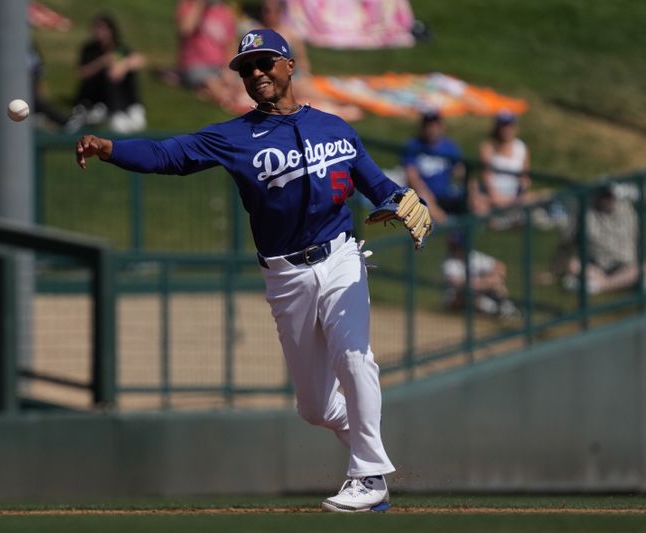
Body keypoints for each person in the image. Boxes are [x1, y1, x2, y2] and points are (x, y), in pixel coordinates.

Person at [76, 28, 432, 513]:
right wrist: (110, 149)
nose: (256, 73)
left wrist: (402, 203)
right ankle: (375, 460)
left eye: (264, 63)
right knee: (315, 408)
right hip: (286, 276)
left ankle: (367, 478)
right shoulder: (234, 136)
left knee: (355, 359)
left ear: (289, 66)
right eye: (246, 68)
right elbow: (167, 156)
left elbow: (379, 186)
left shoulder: (336, 128)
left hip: (342, 257)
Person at [253, 0, 364, 121]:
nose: (267, 14)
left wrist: (304, 75)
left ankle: (342, 103)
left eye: (271, 10)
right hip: (270, 78)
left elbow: (302, 61)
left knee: (311, 91)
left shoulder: (291, 34)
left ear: (280, 12)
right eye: (265, 10)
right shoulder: (257, 34)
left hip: (294, 78)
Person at [0, 39, 69, 129]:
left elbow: (37, 73)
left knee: (38, 104)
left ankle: (65, 122)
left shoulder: (28, 43)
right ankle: (57, 121)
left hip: (25, 89)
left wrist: (42, 97)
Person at [554, 185, 642, 295]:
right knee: (573, 265)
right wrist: (555, 271)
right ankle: (614, 284)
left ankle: (605, 285)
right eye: (604, 196)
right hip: (596, 268)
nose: (608, 200)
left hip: (625, 266)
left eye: (610, 196)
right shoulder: (585, 213)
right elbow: (566, 243)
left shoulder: (626, 210)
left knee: (640, 268)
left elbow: (636, 239)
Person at [67, 13, 147, 134]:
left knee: (136, 126)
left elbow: (139, 60)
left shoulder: (119, 49)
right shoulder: (89, 49)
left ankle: (126, 110)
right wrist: (103, 62)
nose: (100, 32)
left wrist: (123, 65)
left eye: (103, 29)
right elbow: (82, 72)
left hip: (125, 98)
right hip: (97, 97)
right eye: (97, 28)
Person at [174, 0, 245, 113]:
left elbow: (230, 45)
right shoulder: (188, 5)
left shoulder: (224, 12)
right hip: (195, 65)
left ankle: (206, 94)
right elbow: (185, 29)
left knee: (241, 86)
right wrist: (199, 5)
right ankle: (231, 105)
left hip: (220, 66)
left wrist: (229, 70)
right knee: (216, 86)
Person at [401, 110, 466, 224]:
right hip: (424, 192)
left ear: (441, 126)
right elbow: (412, 176)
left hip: (446, 191)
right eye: (428, 126)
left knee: (471, 194)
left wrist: (467, 184)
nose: (432, 129)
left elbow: (460, 171)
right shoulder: (413, 146)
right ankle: (448, 226)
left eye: (435, 125)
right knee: (423, 197)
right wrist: (423, 190)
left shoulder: (449, 146)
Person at [471, 111, 531, 227]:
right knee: (478, 203)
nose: (507, 130)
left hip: (515, 198)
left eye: (510, 125)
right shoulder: (487, 148)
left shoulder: (521, 148)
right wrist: (501, 199)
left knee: (539, 198)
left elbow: (525, 180)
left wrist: (520, 195)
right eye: (503, 126)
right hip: (493, 198)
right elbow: (487, 182)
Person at [441, 232, 519, 318]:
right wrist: (487, 281)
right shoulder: (449, 262)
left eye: (456, 246)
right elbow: (458, 283)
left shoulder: (473, 256)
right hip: (457, 297)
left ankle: (507, 306)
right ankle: (496, 310)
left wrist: (493, 279)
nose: (453, 249)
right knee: (468, 294)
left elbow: (500, 266)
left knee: (498, 283)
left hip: (478, 289)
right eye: (453, 246)